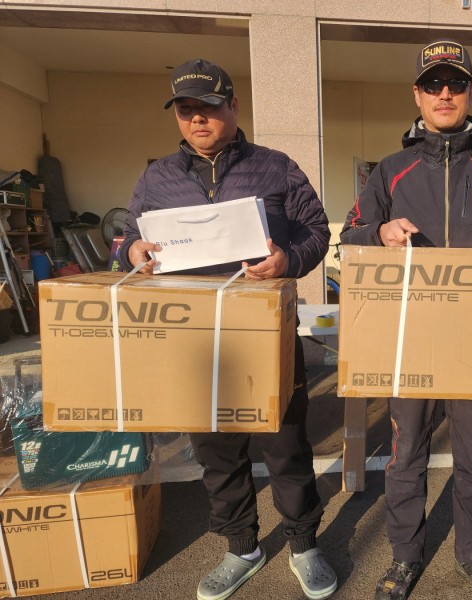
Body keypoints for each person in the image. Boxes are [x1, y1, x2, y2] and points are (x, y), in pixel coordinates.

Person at [117, 58, 338, 600]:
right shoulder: (157, 177)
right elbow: (126, 237)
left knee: (286, 445)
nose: (197, 119)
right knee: (216, 453)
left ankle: (303, 544)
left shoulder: (276, 167)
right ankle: (242, 547)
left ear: (234, 106)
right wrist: (131, 251)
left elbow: (315, 229)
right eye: (185, 109)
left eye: (208, 107)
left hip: (267, 336)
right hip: (193, 341)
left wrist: (288, 260)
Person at [340, 40, 472, 600]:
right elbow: (350, 236)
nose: (445, 93)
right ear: (418, 94)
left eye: (455, 83)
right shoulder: (391, 170)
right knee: (406, 454)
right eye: (434, 84)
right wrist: (378, 232)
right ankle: (405, 557)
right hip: (407, 339)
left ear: (471, 92)